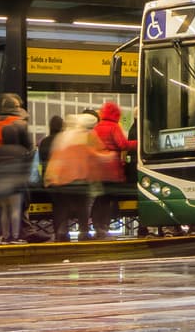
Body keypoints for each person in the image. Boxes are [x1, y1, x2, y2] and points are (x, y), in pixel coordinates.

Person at [43, 113, 99, 242]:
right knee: (82, 207)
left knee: (62, 207)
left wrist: (50, 178)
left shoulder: (62, 138)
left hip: (62, 180)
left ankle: (62, 233)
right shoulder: (86, 137)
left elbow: (56, 158)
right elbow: (92, 158)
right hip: (81, 179)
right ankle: (83, 233)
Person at [91, 100, 137, 240]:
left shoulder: (97, 127)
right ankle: (103, 230)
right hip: (111, 170)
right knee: (108, 201)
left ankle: (98, 228)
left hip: (97, 170)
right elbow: (122, 144)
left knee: (99, 200)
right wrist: (139, 143)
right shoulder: (113, 127)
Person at [0, 124, 30, 244]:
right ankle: (15, 237)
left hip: (0, 187)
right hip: (15, 186)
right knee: (15, 211)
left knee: (4, 211)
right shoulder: (21, 150)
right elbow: (26, 170)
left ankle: (5, 236)